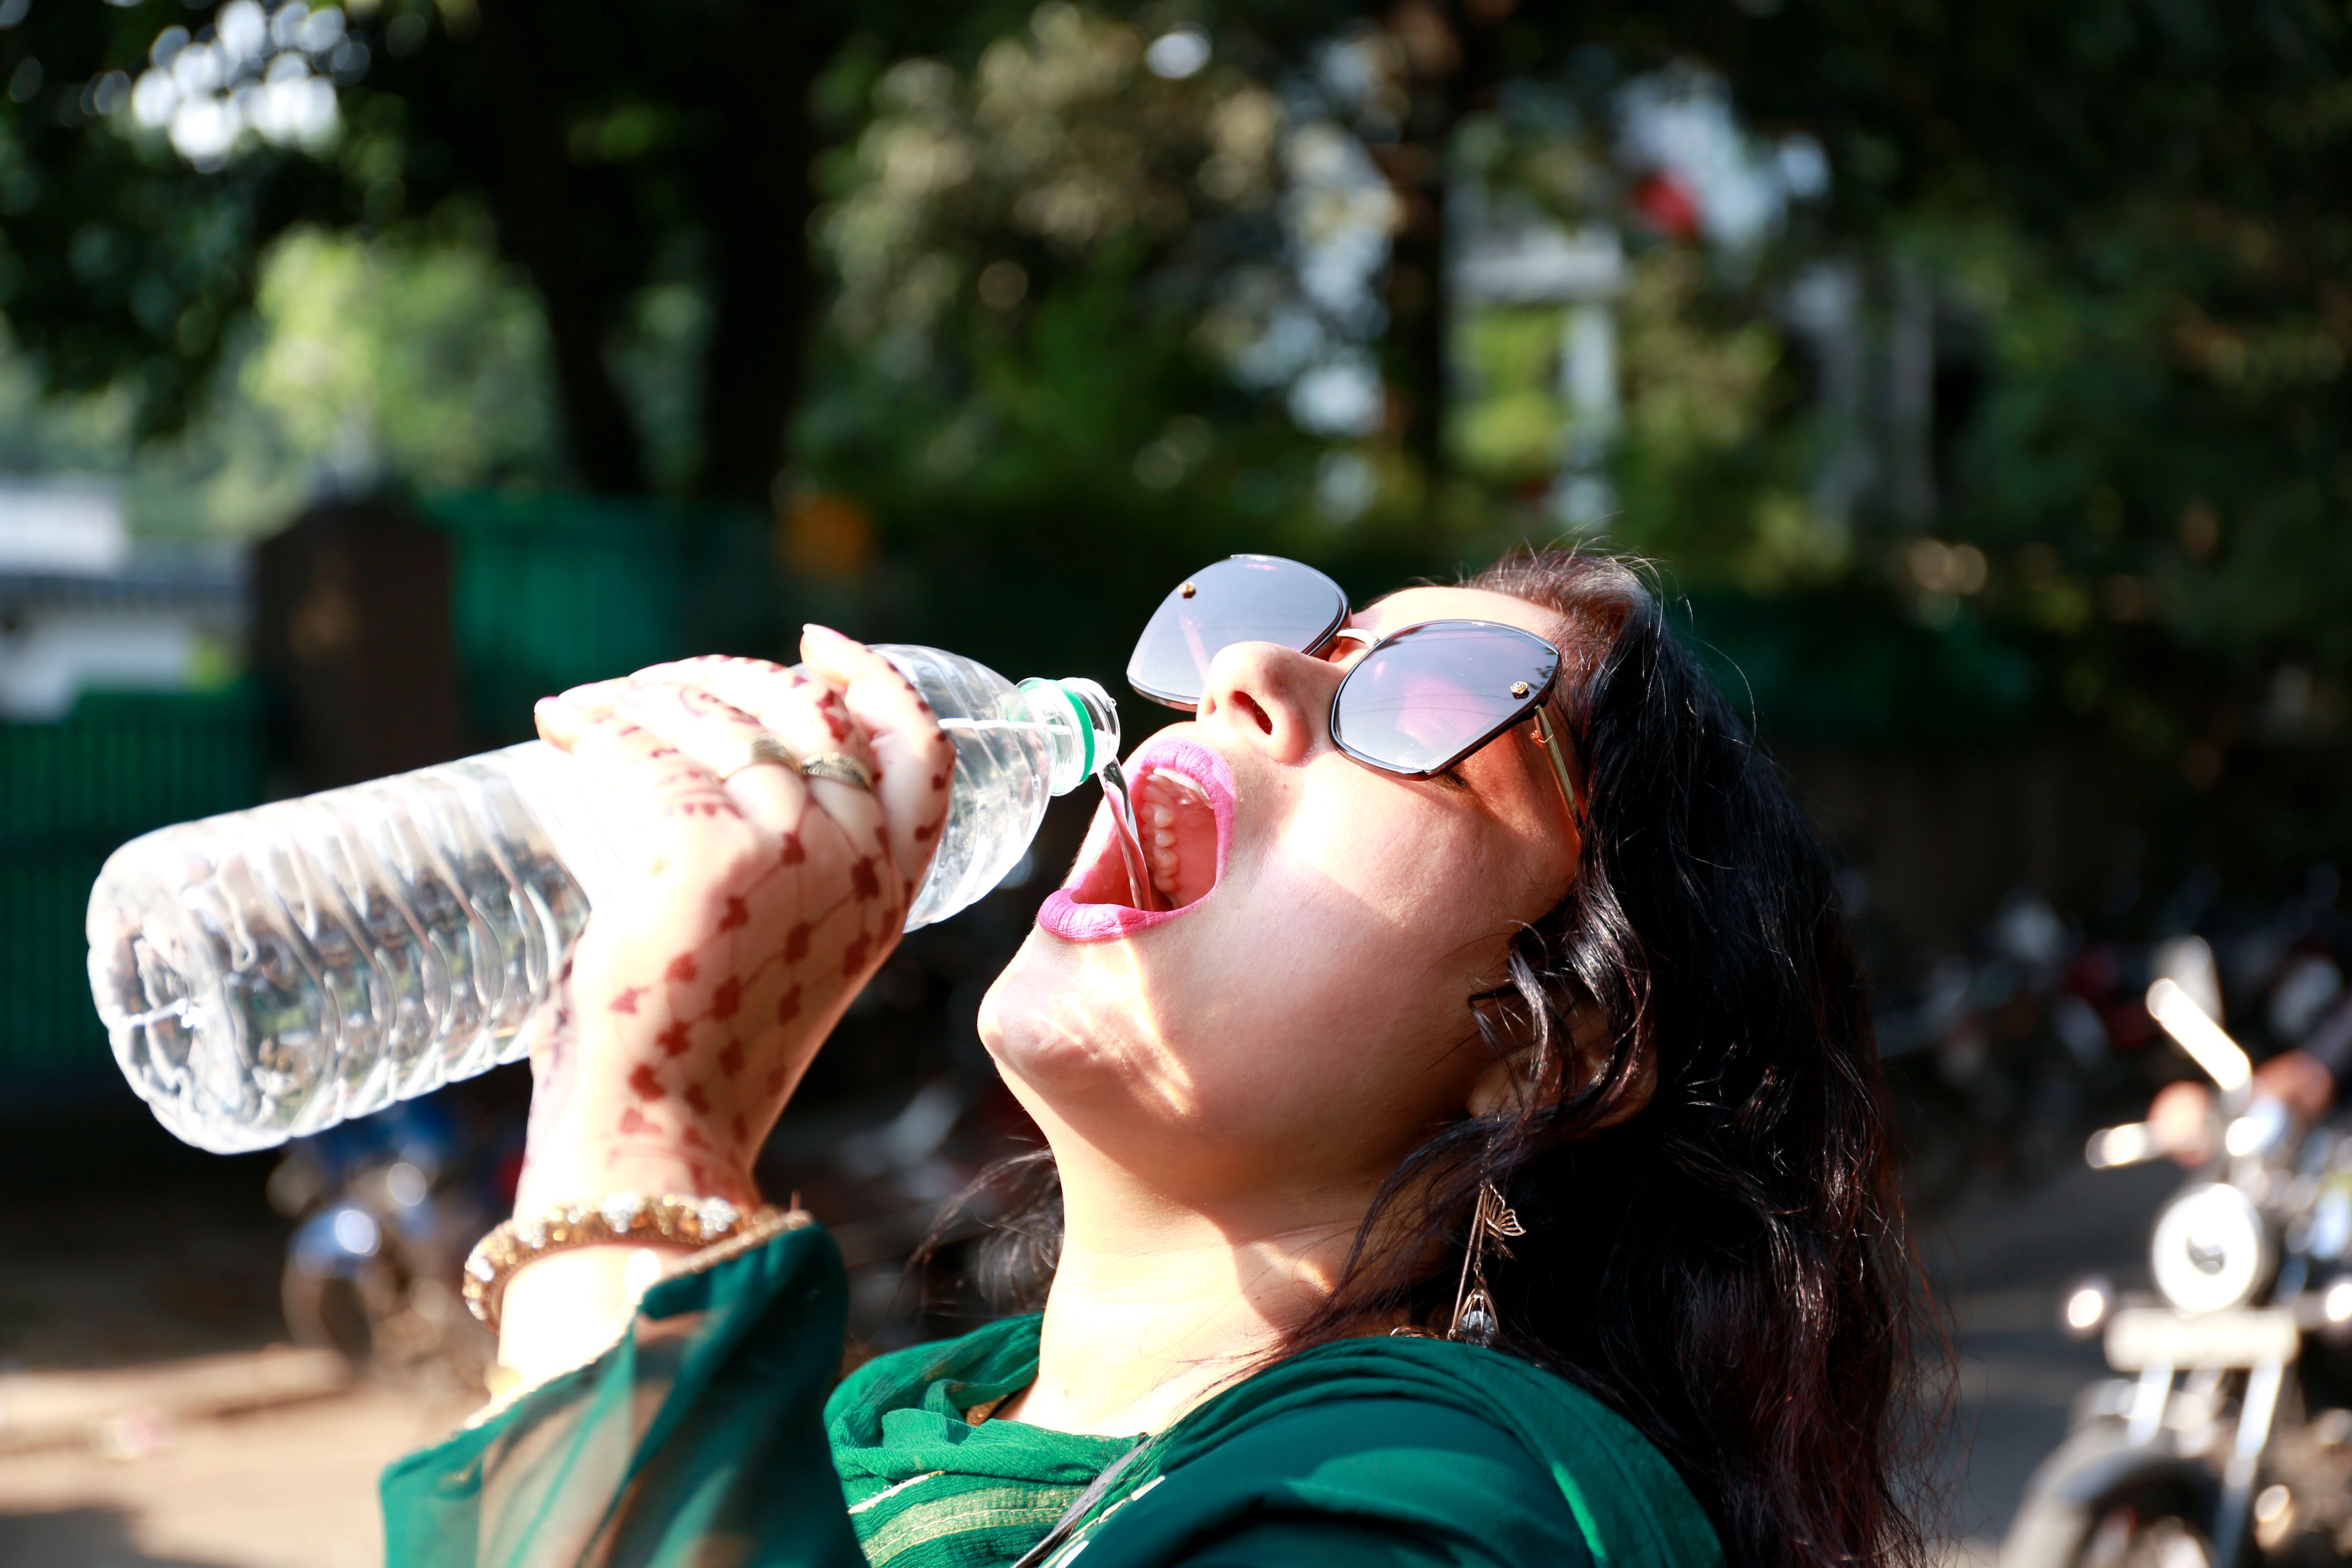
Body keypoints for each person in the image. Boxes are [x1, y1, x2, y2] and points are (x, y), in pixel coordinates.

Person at [383, 549, 1929, 1568]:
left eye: (1429, 697)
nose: (1247, 669)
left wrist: (633, 1135)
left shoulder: (1436, 1509)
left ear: (1550, 1037)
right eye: (1289, 631)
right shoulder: (880, 1441)